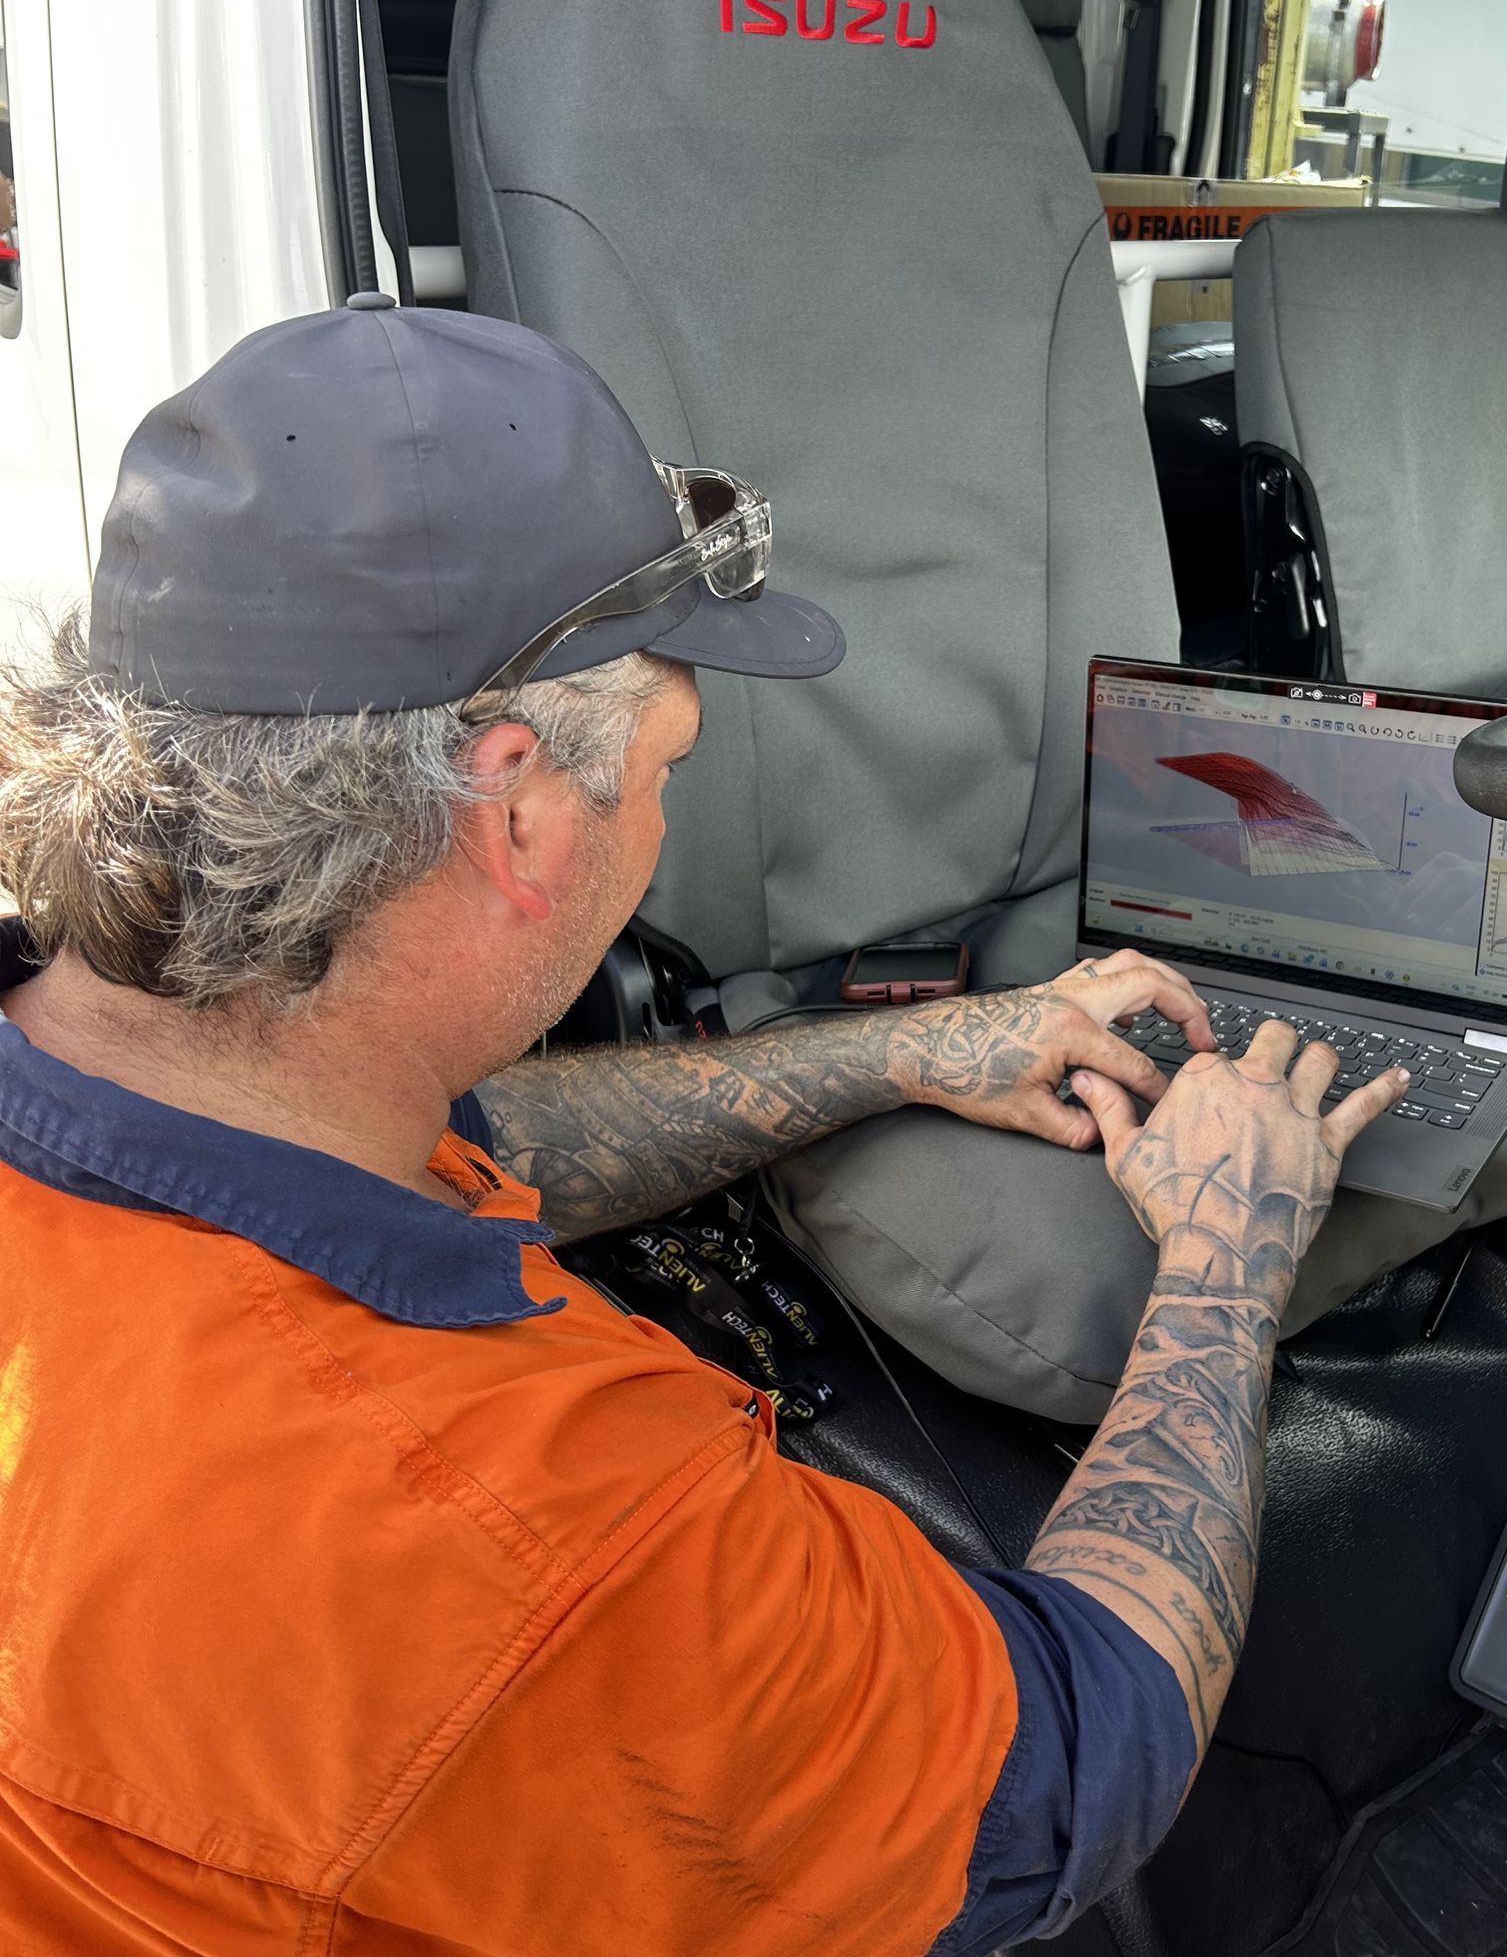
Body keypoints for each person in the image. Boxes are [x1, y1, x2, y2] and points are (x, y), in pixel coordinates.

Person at [0, 296, 1407, 1957]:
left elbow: (475, 1133)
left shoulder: (153, 1074)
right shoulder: (533, 1534)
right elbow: (1072, 1763)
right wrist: (1231, 1250)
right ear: (517, 806)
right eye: (667, 761)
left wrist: (891, 1058)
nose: (660, 811)